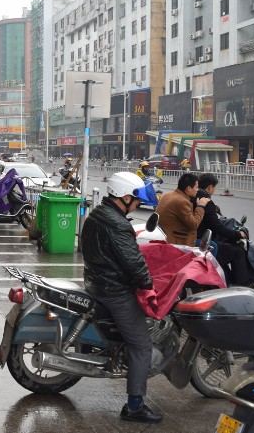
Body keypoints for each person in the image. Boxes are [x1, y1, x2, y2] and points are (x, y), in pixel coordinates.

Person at [81, 172, 161, 424]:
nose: (138, 206)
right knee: (141, 345)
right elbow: (134, 263)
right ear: (126, 197)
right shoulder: (117, 223)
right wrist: (147, 286)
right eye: (136, 202)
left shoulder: (98, 214)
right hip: (113, 290)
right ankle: (134, 407)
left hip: (96, 282)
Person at [196, 173, 251, 285]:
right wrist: (238, 234)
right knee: (238, 251)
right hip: (202, 242)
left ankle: (227, 280)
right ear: (210, 187)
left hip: (198, 238)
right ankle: (241, 285)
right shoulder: (206, 201)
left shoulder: (195, 197)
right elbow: (217, 227)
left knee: (225, 252)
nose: (214, 190)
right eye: (214, 188)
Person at [156, 172, 210, 246]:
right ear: (189, 188)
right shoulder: (182, 201)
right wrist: (200, 206)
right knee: (212, 246)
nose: (198, 190)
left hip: (165, 236)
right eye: (196, 187)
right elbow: (194, 225)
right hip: (178, 242)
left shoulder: (166, 195)